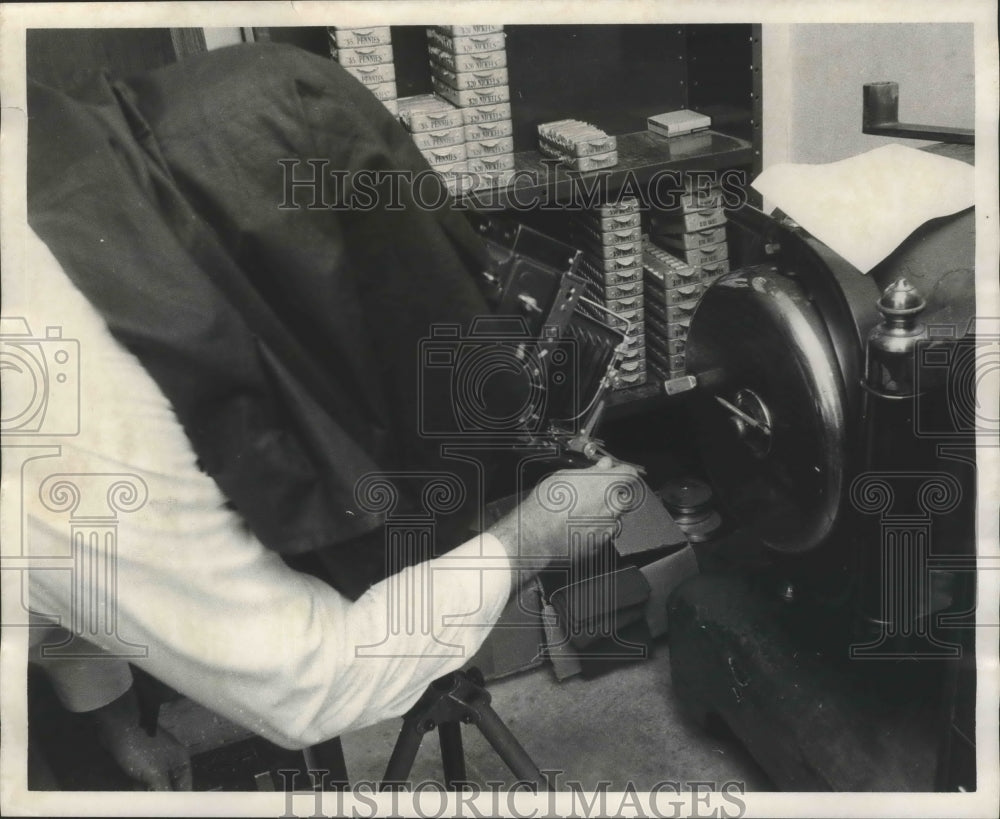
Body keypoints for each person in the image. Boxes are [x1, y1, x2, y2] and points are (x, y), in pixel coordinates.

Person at [12, 41, 641, 758]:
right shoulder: (88, 409)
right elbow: (313, 681)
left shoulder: (61, 186)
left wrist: (115, 718)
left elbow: (62, 556)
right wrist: (529, 542)